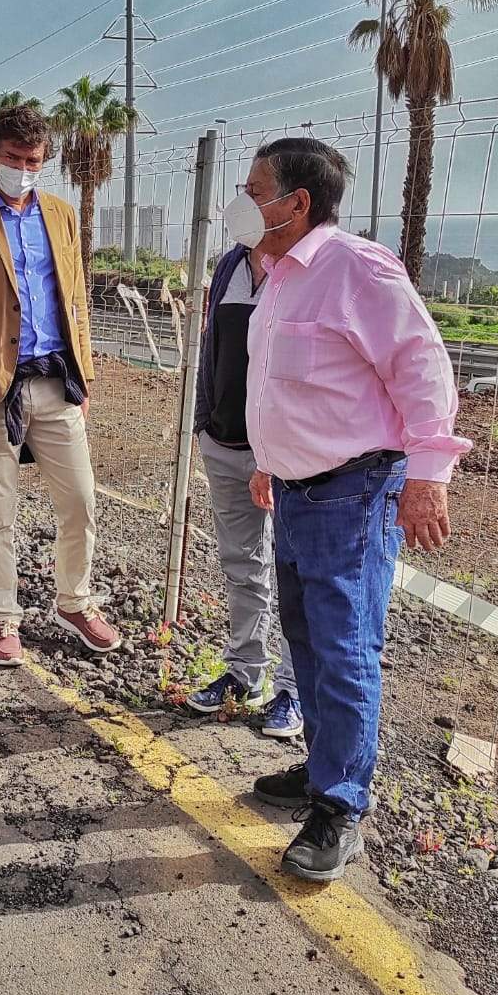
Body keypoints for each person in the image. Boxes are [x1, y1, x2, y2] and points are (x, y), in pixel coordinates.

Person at [235, 137, 470, 883]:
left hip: (352, 492)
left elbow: (422, 365)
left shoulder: (355, 268)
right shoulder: (280, 277)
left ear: (296, 202)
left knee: (345, 649)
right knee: (306, 639)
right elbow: (288, 383)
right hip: (299, 494)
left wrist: (429, 474)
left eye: (255, 189)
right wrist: (271, 459)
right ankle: (322, 767)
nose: (244, 203)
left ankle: (341, 809)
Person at [0, 103, 119, 667]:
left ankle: (75, 600)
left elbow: (76, 296)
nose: (22, 168)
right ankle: (2, 617)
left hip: (58, 381)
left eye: (33, 160)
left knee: (81, 502)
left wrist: (84, 377)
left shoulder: (61, 214)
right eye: (13, 158)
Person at [188, 233, 303, 739]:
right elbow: (214, 346)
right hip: (224, 441)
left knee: (296, 573)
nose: (246, 201)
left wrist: (280, 453)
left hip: (284, 456)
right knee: (242, 563)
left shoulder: (306, 269)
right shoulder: (232, 263)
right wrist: (204, 420)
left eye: (257, 191)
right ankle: (245, 672)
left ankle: (294, 690)